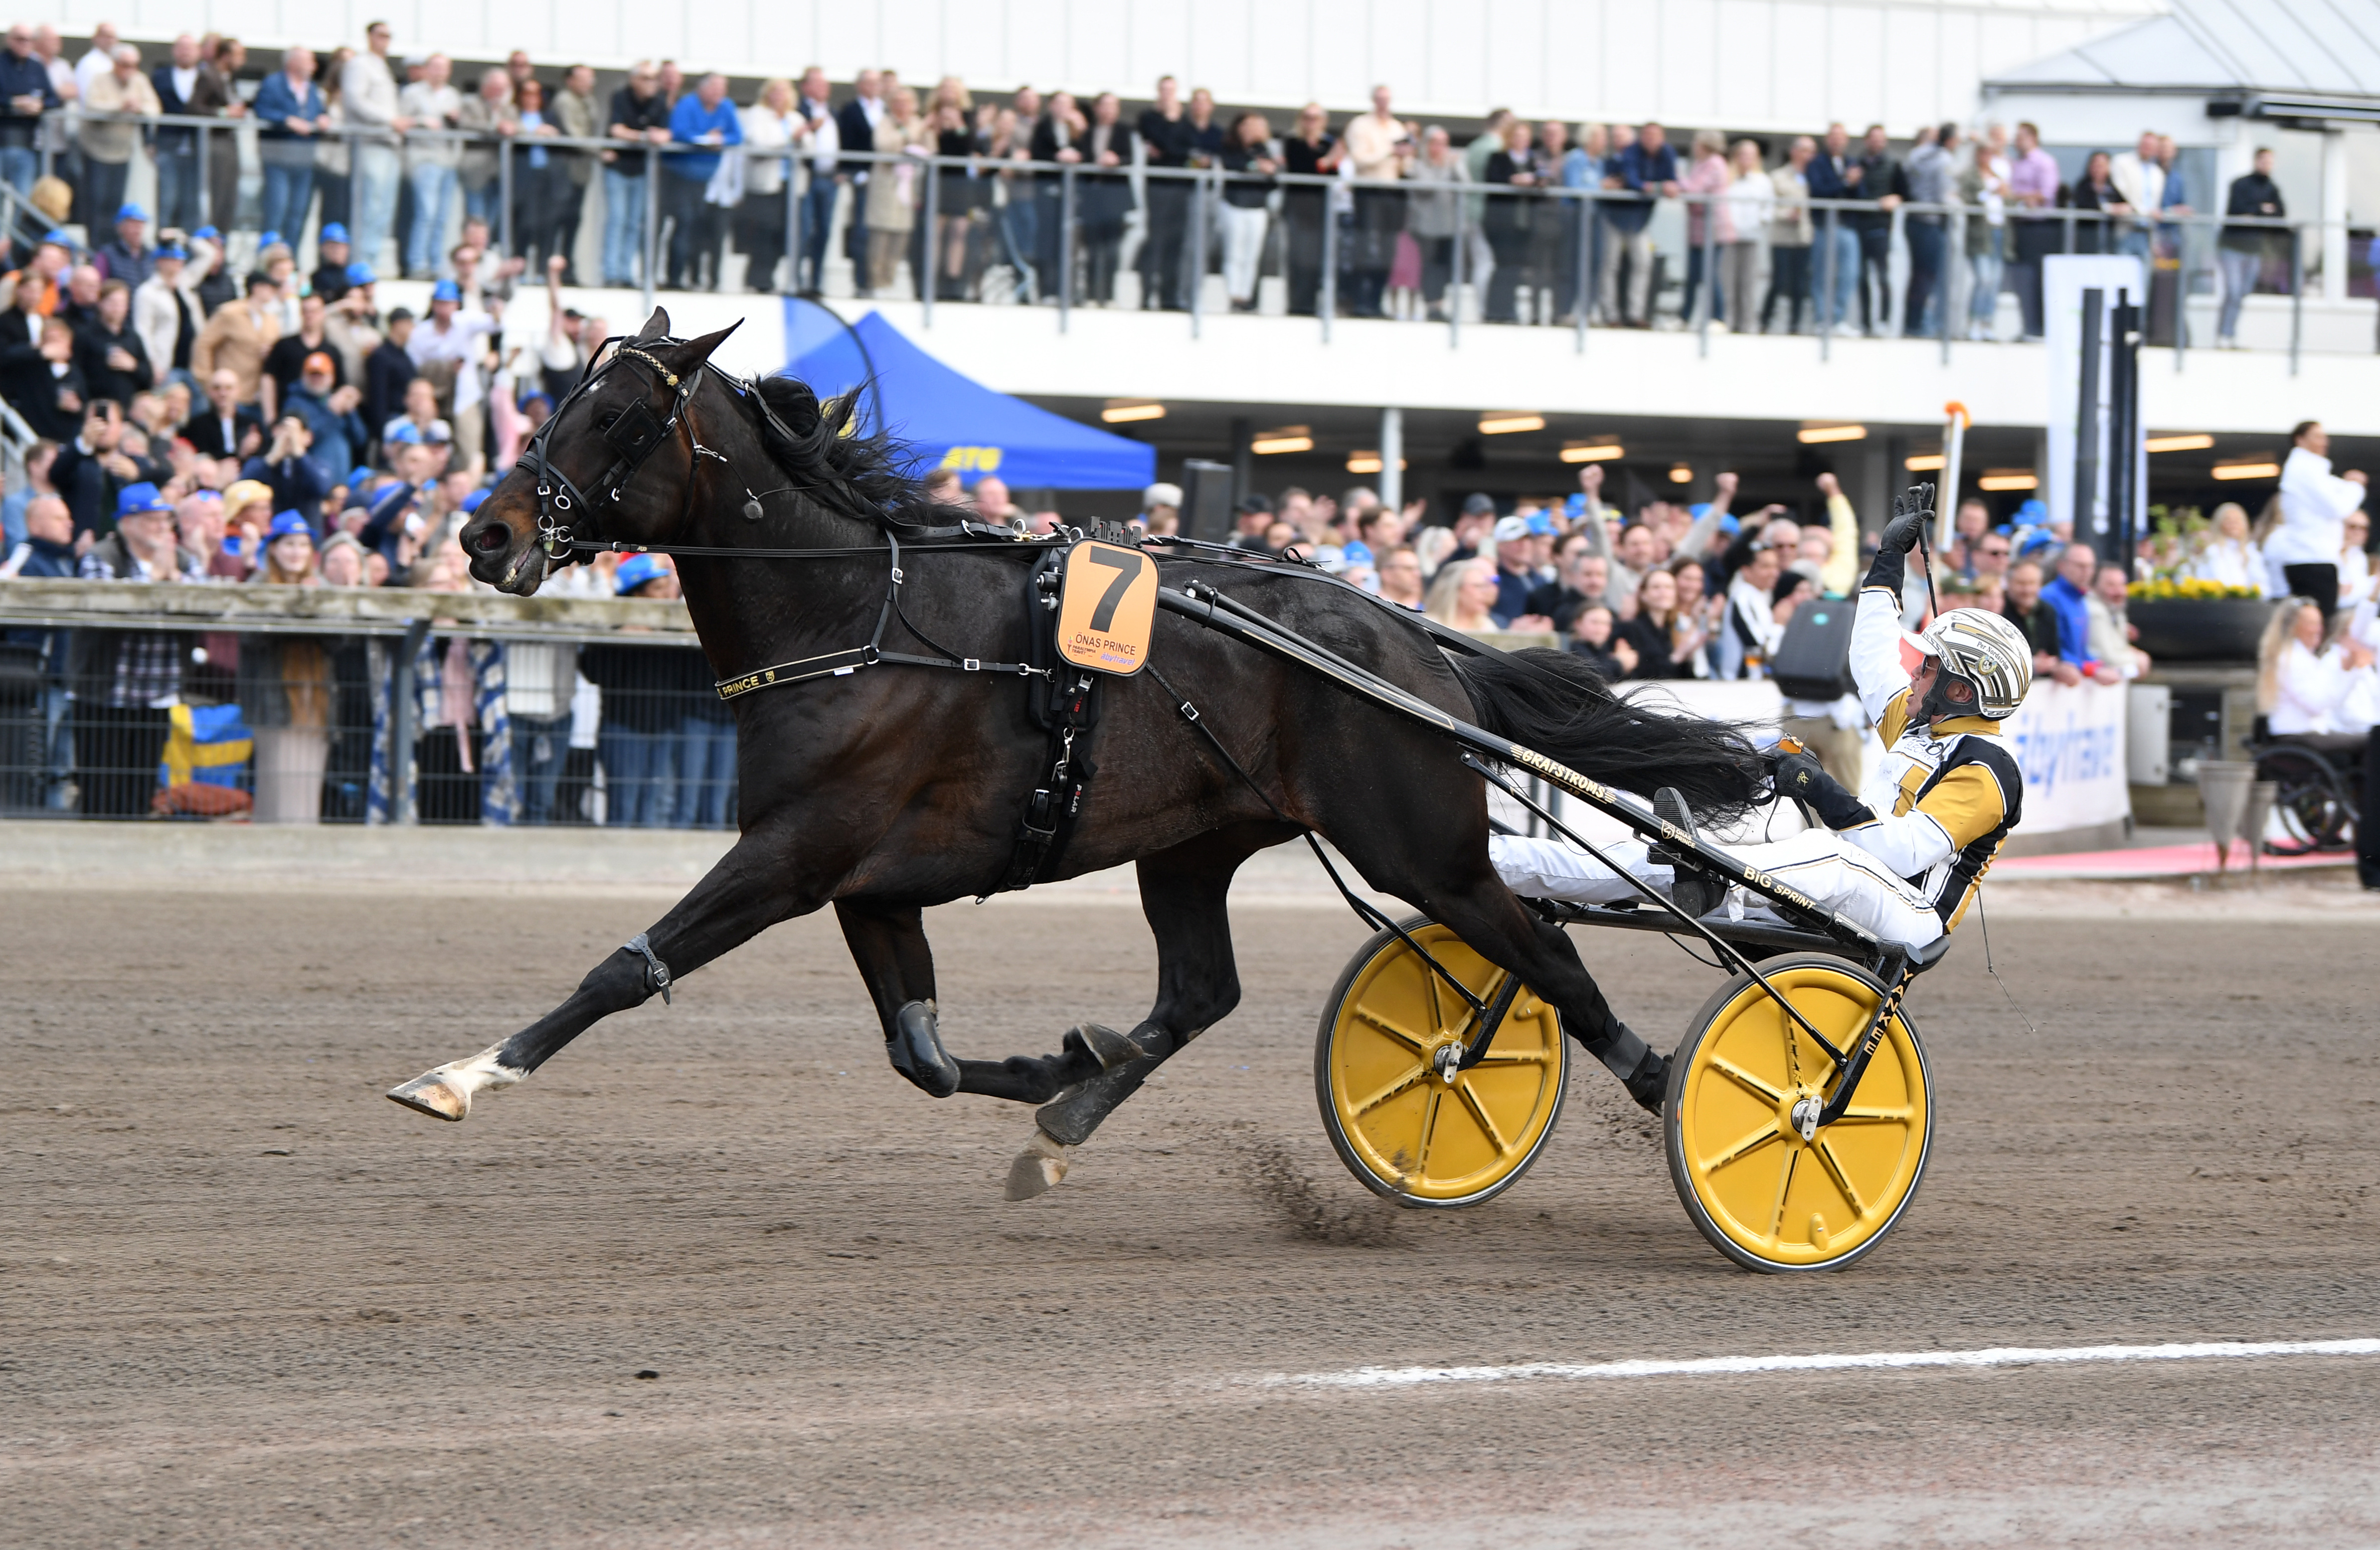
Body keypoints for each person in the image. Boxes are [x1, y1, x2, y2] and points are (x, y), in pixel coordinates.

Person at [1491, 494, 2034, 961]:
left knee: (1830, 854)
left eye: (1929, 668)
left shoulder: (1987, 769)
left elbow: (1904, 853)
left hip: (1909, 915)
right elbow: (1871, 658)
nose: (1914, 673)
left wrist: (1822, 789)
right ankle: (1495, 861)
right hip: (1862, 888)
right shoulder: (1921, 729)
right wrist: (1889, 559)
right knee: (1654, 862)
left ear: (1960, 691)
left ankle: (1715, 876)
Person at [73, 483, 204, 818]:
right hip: (104, 694)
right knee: (100, 792)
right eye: (151, 520)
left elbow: (206, 603)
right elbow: (103, 606)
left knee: (140, 790)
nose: (162, 527)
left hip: (157, 694)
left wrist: (173, 578)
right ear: (127, 524)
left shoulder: (182, 560)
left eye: (166, 520)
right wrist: (156, 580)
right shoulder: (102, 556)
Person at [2265, 420, 2368, 620]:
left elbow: (2333, 489)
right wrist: (2356, 487)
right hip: (2311, 560)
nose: (2325, 442)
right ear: (2300, 440)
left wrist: (2349, 486)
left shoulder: (2307, 469)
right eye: (2318, 437)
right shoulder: (2303, 468)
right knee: (2317, 625)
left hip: (2313, 559)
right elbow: (2338, 508)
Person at [663, 72, 741, 291]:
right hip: (681, 176)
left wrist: (720, 139)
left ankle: (696, 277)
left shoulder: (726, 106)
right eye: (715, 88)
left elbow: (737, 136)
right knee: (683, 223)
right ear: (703, 88)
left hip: (707, 179)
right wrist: (706, 138)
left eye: (722, 88)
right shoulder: (688, 104)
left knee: (698, 228)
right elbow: (679, 133)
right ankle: (675, 277)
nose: (719, 93)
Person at [341, 24, 409, 275]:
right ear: (370, 37)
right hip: (369, 143)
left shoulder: (383, 68)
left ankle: (372, 258)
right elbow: (355, 100)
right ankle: (362, 261)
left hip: (388, 144)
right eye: (381, 35)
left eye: (389, 36)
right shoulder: (360, 65)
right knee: (369, 205)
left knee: (384, 209)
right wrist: (389, 120)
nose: (385, 41)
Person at [2259, 595, 2377, 736]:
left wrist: (2348, 671)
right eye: (2312, 624)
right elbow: (2318, 706)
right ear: (2294, 627)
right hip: (2297, 733)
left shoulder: (2307, 658)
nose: (2319, 629)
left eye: (2320, 624)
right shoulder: (2291, 660)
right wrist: (2351, 672)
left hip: (2314, 731)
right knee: (2371, 742)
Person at [76, 45, 159, 238]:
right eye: (125, 65)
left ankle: (110, 245)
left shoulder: (140, 80)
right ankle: (94, 245)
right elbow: (92, 107)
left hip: (122, 153)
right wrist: (120, 107)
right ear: (115, 64)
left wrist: (139, 108)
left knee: (115, 203)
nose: (130, 70)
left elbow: (155, 108)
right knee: (96, 202)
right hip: (97, 151)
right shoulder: (100, 79)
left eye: (134, 65)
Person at [1600, 121, 1676, 327]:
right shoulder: (1631, 152)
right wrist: (1657, 187)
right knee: (1610, 264)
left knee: (1643, 262)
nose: (1651, 140)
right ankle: (1610, 314)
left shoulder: (1666, 153)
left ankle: (1636, 313)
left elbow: (1672, 180)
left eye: (1655, 136)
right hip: (1615, 216)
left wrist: (1659, 187)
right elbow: (1633, 181)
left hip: (1640, 219)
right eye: (1648, 135)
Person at [254, 45, 326, 243]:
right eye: (309, 61)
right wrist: (287, 120)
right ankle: (269, 254)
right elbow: (262, 110)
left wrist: (323, 118)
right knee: (276, 209)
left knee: (298, 213)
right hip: (277, 157)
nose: (313, 66)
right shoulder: (273, 84)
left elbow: (319, 111)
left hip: (305, 159)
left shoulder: (312, 88)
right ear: (293, 62)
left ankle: (292, 257)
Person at [1137, 76, 1196, 312]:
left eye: (1171, 90)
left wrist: (1170, 146)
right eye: (1164, 90)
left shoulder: (1186, 121)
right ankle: (1146, 294)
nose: (1167, 95)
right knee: (1156, 240)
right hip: (1158, 187)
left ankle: (1169, 296)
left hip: (1180, 188)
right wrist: (1170, 121)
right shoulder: (1149, 118)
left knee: (1176, 242)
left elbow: (1186, 149)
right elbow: (1166, 143)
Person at [2219, 147, 2285, 349]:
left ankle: (2229, 333)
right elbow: (2237, 210)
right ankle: (2225, 336)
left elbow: (2280, 214)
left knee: (2243, 292)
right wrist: (2262, 210)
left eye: (2270, 162)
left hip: (2254, 249)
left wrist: (2255, 213)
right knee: (2234, 290)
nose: (2267, 165)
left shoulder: (2272, 189)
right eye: (2264, 161)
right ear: (2256, 161)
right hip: (2232, 246)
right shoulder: (2240, 184)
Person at [737, 78, 797, 294]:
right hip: (764, 185)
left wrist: (801, 137)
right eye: (775, 91)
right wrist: (790, 139)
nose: (779, 96)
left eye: (784, 92)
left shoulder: (794, 117)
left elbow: (808, 144)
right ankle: (757, 279)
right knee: (763, 232)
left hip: (790, 185)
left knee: (783, 234)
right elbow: (759, 143)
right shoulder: (757, 115)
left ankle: (771, 277)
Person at [1803, 122, 1862, 335]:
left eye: (1841, 137)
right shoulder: (1817, 163)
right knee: (1822, 274)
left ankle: (1838, 319)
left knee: (1849, 273)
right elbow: (1819, 190)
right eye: (1833, 136)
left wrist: (1854, 184)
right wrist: (1845, 182)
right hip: (1824, 226)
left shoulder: (1852, 162)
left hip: (1846, 226)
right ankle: (1822, 320)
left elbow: (1860, 194)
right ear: (1827, 139)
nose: (1837, 141)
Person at [1279, 103, 1337, 317]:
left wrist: (1328, 162)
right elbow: (1303, 167)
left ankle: (1312, 302)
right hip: (1298, 207)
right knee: (1297, 256)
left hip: (1321, 210)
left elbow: (1333, 175)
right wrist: (1326, 161)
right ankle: (1297, 302)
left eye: (1316, 118)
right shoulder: (1293, 142)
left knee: (1317, 258)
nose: (1311, 122)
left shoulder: (1328, 143)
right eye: (1307, 117)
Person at [2005, 121, 2061, 341]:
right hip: (2019, 226)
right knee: (2022, 279)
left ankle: (2039, 328)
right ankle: (2027, 326)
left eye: (2021, 138)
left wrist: (2015, 196)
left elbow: (2045, 194)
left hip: (2038, 227)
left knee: (2037, 279)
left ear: (2033, 138)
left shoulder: (2044, 162)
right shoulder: (2015, 164)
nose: (2016, 142)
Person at [1217, 112, 1276, 314]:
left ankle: (1246, 295)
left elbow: (1273, 179)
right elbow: (1234, 165)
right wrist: (1255, 166)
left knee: (1252, 255)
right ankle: (1234, 294)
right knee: (1234, 252)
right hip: (1235, 204)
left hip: (1257, 207)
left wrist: (1268, 168)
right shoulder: (1231, 147)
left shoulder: (1263, 150)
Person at [192, 273, 281, 405]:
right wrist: (206, 379)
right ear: (257, 288)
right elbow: (204, 344)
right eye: (270, 287)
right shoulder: (230, 313)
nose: (273, 292)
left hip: (256, 396)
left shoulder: (272, 321)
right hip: (228, 393)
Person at [1902, 123, 1956, 335]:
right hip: (1931, 222)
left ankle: (1912, 323)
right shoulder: (1943, 159)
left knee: (1917, 275)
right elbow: (1944, 195)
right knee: (1929, 276)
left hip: (1914, 219)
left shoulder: (1916, 154)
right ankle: (1923, 325)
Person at [1960, 122, 2011, 342]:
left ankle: (1987, 322)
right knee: (1984, 278)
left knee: (1995, 280)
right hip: (1980, 234)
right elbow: (1968, 199)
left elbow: (2009, 201)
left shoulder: (1998, 175)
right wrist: (1987, 191)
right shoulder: (1971, 176)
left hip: (1999, 231)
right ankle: (1974, 321)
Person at [1719, 138, 1772, 334]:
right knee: (1728, 283)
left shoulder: (1762, 181)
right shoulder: (1727, 178)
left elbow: (1768, 209)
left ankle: (1747, 324)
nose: (1746, 159)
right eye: (1743, 155)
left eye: (1751, 156)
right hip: (1730, 237)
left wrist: (1759, 223)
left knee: (1748, 284)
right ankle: (1729, 322)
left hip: (1751, 237)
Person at [72, 277, 150, 406]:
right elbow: (76, 372)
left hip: (128, 407)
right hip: (97, 405)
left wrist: (133, 366)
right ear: (100, 303)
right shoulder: (85, 335)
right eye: (112, 302)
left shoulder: (133, 337)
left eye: (122, 303)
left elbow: (148, 377)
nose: (117, 308)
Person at [2002, 558, 2079, 686]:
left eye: (2032, 583)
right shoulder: (1999, 611)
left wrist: (2059, 668)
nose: (2027, 590)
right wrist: (2032, 665)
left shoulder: (2048, 611)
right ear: (2008, 583)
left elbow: (2054, 654)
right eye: (2021, 583)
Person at [2184, 501, 2270, 593]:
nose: (2233, 524)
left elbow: (2262, 584)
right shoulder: (2213, 551)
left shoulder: (2251, 553)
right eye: (2228, 520)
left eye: (2237, 520)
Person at [1423, 556, 1502, 634]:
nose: (1486, 593)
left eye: (1485, 586)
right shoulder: (1429, 627)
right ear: (1456, 589)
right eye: (1478, 586)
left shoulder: (1488, 626)